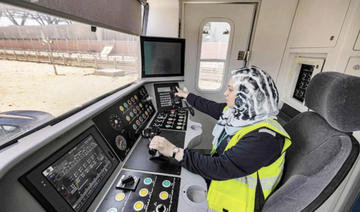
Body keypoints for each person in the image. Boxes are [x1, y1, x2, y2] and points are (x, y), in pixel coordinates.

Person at [149, 66, 292, 212]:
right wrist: (187, 96)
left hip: (236, 203)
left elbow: (219, 167)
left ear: (247, 95)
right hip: (224, 183)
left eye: (230, 90)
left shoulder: (265, 138)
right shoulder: (241, 113)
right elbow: (214, 108)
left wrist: (173, 151)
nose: (225, 93)